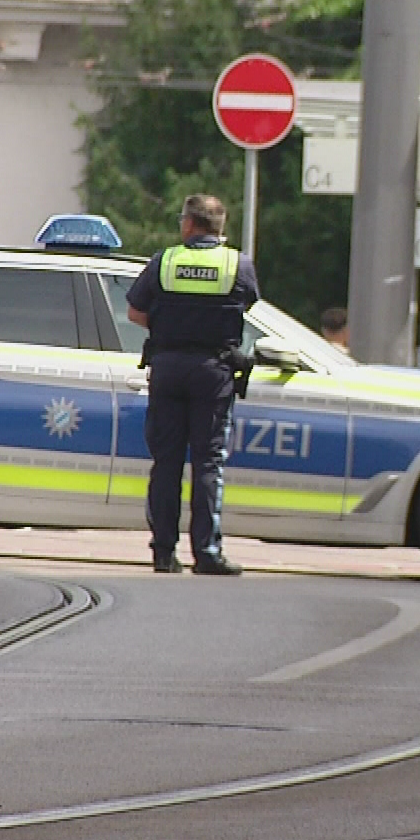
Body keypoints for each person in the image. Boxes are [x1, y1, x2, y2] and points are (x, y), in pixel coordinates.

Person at [124, 194, 259, 576]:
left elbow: (135, 311)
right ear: (220, 227)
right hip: (213, 370)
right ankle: (208, 553)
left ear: (188, 224)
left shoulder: (164, 261)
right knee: (208, 463)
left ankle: (164, 553)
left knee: (166, 462)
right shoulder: (238, 264)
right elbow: (246, 305)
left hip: (168, 367)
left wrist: (170, 323)